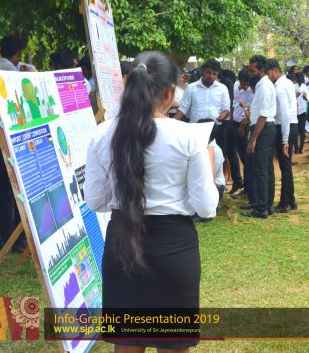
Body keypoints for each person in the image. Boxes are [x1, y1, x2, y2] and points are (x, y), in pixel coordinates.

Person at [85, 52, 218, 351]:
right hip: (173, 249)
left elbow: (95, 200)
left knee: (127, 343)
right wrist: (209, 162)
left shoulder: (102, 134)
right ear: (169, 93)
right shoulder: (190, 137)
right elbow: (206, 207)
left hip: (121, 246)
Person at [0, 34, 27, 253]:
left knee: (3, 189)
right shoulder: (16, 74)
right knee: (19, 189)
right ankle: (19, 239)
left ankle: (5, 238)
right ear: (18, 53)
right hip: (16, 137)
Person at [243, 55, 277, 219]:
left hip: (263, 129)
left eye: (252, 70)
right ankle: (267, 205)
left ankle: (261, 208)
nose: (250, 73)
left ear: (261, 70)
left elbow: (263, 115)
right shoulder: (263, 85)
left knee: (261, 169)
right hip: (265, 128)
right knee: (266, 168)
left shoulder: (264, 86)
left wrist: (253, 139)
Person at [267, 59, 298, 213]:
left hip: (285, 126)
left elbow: (285, 114)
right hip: (290, 125)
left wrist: (285, 139)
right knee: (286, 165)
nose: (267, 77)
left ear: (274, 71)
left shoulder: (280, 87)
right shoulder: (288, 83)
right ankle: (290, 200)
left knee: (285, 166)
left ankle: (285, 202)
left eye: (268, 73)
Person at [174, 59, 230, 132]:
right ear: (203, 71)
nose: (211, 76)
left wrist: (223, 114)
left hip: (215, 128)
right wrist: (172, 124)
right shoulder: (191, 88)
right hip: (195, 128)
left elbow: (226, 108)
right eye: (208, 73)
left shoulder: (223, 88)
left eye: (214, 74)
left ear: (217, 75)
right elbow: (183, 108)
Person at [230, 68, 254, 196]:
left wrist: (242, 127)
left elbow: (249, 113)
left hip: (244, 125)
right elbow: (234, 104)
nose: (245, 86)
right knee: (233, 153)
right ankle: (238, 182)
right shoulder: (235, 85)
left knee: (245, 157)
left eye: (246, 84)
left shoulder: (251, 92)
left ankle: (248, 188)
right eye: (243, 83)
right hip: (233, 122)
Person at [292, 72, 308, 155]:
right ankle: (301, 148)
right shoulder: (305, 86)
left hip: (295, 110)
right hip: (303, 110)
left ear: (296, 78)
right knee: (302, 130)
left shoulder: (294, 86)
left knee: (295, 130)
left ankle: (296, 148)